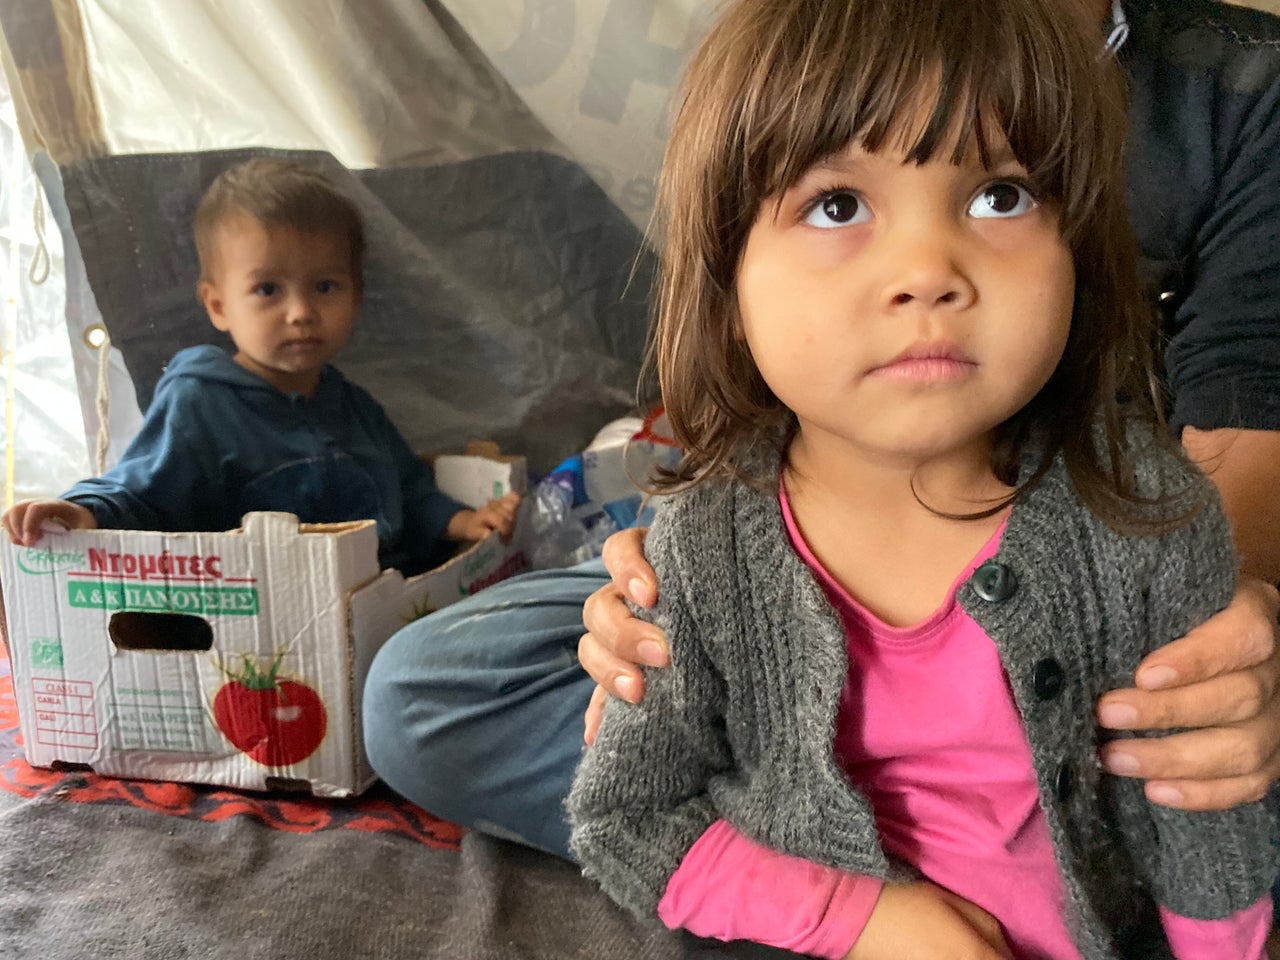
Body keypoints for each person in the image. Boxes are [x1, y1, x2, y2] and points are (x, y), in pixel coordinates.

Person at [362, 0, 1280, 864]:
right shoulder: (802, 41)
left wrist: (1220, 662)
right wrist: (670, 605)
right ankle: (938, 843)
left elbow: (1227, 524)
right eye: (840, 206)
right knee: (427, 689)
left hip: (1089, 630)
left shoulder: (1244, 93)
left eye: (1002, 196)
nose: (925, 273)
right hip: (797, 591)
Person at [1, 158, 518, 572]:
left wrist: (464, 521)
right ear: (219, 305)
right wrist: (81, 510)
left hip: (381, 603)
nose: (300, 312)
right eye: (268, 289)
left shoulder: (352, 404)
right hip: (265, 625)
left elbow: (409, 489)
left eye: (325, 287)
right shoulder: (200, 401)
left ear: (356, 298)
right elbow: (140, 490)